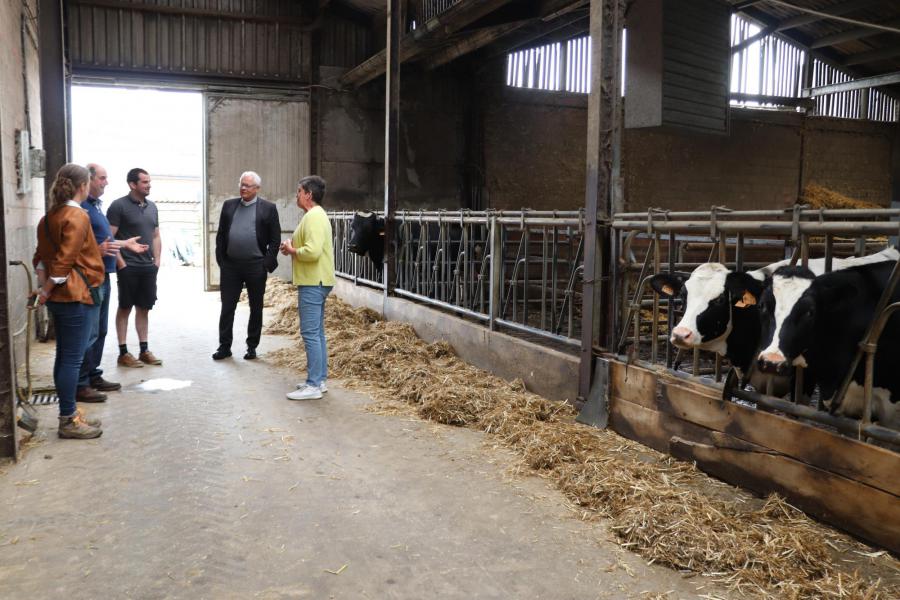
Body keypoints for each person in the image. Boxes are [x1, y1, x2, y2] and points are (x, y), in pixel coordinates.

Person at [33, 164, 106, 439]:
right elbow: (64, 261)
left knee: (65, 356)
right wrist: (47, 289)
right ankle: (68, 420)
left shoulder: (48, 217)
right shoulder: (77, 216)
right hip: (77, 295)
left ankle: (70, 412)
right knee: (72, 359)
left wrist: (44, 288)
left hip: (61, 298)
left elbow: (40, 257)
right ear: (83, 186)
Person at [76, 163, 149, 402]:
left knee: (100, 330)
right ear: (87, 181)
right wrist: (114, 254)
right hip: (90, 276)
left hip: (102, 273)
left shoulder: (96, 207)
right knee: (90, 332)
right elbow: (80, 247)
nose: (106, 182)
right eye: (102, 178)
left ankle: (93, 375)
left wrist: (125, 245)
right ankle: (82, 382)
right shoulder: (80, 210)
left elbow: (106, 241)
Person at [213, 171, 281, 360]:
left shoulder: (268, 208)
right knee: (227, 307)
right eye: (241, 184)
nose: (243, 188)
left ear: (257, 189)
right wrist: (222, 261)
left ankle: (251, 347)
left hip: (255, 266)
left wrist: (266, 264)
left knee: (256, 307)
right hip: (231, 266)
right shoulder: (229, 206)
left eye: (248, 185)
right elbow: (220, 235)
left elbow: (275, 240)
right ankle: (224, 347)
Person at [280, 176, 335, 401]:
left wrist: (292, 250)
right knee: (317, 333)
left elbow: (312, 252)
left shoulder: (313, 217)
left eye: (299, 191)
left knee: (310, 333)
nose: (296, 195)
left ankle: (313, 385)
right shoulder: (316, 215)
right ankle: (319, 380)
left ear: (308, 195)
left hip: (313, 280)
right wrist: (291, 248)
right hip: (318, 280)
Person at [107, 168, 163, 367]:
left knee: (144, 308)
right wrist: (121, 264)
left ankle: (144, 350)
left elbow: (156, 235)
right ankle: (123, 353)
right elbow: (109, 238)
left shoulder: (152, 207)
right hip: (128, 267)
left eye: (149, 181)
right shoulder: (118, 206)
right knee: (125, 307)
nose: (149, 185)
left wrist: (157, 260)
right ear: (132, 184)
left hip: (148, 267)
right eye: (144, 182)